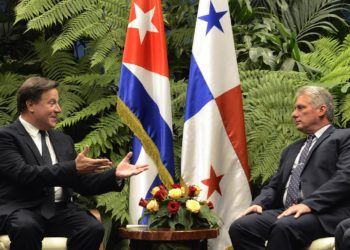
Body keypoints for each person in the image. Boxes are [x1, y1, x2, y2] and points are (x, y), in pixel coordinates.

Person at [0, 76, 148, 250]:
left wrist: (114, 174)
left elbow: (81, 183)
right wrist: (73, 167)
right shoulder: (7, 137)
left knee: (92, 228)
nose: (59, 109)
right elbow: (25, 174)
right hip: (22, 209)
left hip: (59, 211)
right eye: (52, 103)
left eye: (58, 103)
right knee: (26, 226)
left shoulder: (63, 140)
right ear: (30, 105)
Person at [229, 86, 350, 250]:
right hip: (287, 211)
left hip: (324, 213)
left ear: (321, 110)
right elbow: (274, 185)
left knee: (285, 227)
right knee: (241, 227)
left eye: (301, 108)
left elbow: (344, 178)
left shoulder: (343, 138)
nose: (294, 114)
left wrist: (310, 204)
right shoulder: (291, 149)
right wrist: (260, 203)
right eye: (295, 109)